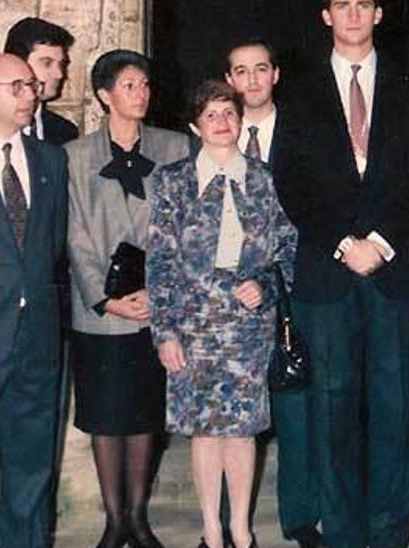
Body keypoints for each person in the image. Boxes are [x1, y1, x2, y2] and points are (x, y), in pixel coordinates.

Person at [272, 1, 409, 546]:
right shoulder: (297, 89)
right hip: (328, 269)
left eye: (362, 4)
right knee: (333, 408)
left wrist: (382, 243)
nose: (352, 14)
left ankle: (390, 532)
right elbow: (291, 180)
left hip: (393, 270)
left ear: (379, 13)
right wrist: (345, 242)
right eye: (341, 4)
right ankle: (342, 532)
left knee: (395, 409)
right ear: (324, 16)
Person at [149, 78, 298, 548]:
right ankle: (212, 530)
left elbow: (289, 247)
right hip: (192, 327)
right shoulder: (172, 181)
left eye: (229, 113)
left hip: (248, 328)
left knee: (242, 430)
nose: (221, 122)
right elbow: (159, 261)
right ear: (195, 124)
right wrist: (164, 332)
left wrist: (268, 286)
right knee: (204, 432)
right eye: (211, 115)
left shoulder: (265, 178)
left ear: (241, 120)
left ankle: (242, 527)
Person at [65, 49, 191, 548]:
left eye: (144, 85)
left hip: (156, 305)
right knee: (106, 416)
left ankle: (138, 517)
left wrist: (159, 293)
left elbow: (184, 228)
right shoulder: (74, 156)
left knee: (144, 412)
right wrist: (105, 298)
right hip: (100, 312)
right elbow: (74, 235)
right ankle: (113, 520)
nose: (140, 94)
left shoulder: (175, 147)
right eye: (129, 85)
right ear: (104, 94)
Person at [0, 53, 69, 548]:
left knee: (33, 464)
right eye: (18, 86)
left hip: (39, 338)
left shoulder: (51, 159)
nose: (32, 93)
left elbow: (54, 247)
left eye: (32, 85)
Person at [223, 38, 322, 548]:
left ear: (275, 74)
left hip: (294, 285)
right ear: (230, 78)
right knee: (229, 412)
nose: (252, 80)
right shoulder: (217, 136)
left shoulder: (306, 129)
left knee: (297, 402)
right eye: (241, 71)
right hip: (233, 295)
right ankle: (222, 524)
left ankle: (300, 516)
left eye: (261, 69)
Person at [5, 17, 79, 145]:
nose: (59, 74)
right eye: (47, 63)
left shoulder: (65, 132)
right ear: (17, 63)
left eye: (61, 64)